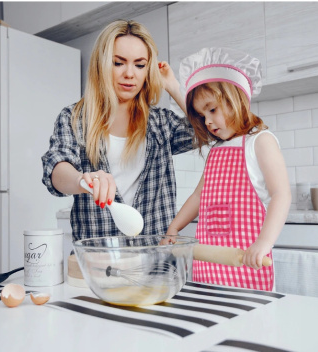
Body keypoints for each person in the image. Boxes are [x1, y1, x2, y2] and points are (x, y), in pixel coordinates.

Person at [42, 20, 193, 244]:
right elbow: (56, 170)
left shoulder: (161, 123)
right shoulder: (74, 118)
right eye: (118, 63)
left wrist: (174, 87)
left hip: (156, 260)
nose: (130, 74)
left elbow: (209, 131)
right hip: (99, 263)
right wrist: (83, 180)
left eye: (140, 65)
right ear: (101, 65)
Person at [163, 47, 291, 291]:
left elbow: (281, 194)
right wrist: (174, 227)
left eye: (212, 110)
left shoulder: (260, 141)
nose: (207, 121)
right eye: (202, 116)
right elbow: (199, 196)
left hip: (247, 266)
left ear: (237, 99)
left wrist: (264, 243)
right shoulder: (216, 150)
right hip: (209, 269)